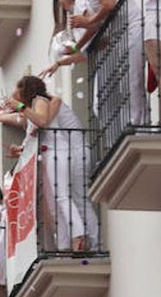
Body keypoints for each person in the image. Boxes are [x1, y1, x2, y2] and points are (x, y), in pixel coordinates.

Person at [15, 75, 99, 252]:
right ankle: (64, 246)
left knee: (64, 197)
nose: (16, 93)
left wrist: (19, 106)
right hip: (52, 153)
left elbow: (42, 121)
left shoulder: (40, 101)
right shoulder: (34, 106)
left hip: (59, 152)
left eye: (19, 89)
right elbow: (31, 129)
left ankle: (80, 235)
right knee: (57, 203)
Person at [66, 0, 146, 125]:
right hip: (122, 35)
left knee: (132, 81)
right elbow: (96, 24)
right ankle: (132, 123)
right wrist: (76, 46)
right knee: (126, 83)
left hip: (131, 29)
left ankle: (139, 124)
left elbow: (109, 4)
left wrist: (87, 20)